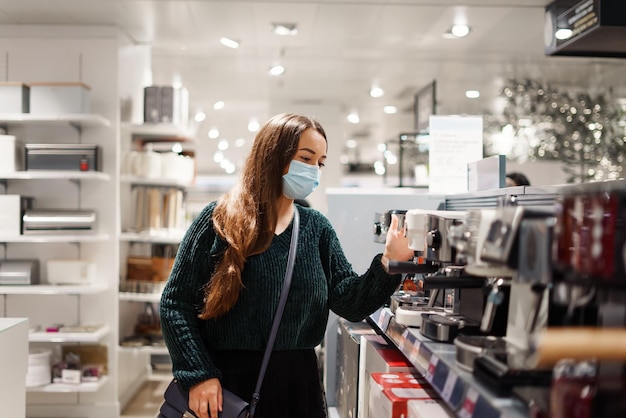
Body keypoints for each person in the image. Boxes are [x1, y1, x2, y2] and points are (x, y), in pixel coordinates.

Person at [159, 112, 414, 418]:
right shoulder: (218, 221)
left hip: (299, 385)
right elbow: (176, 303)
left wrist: (390, 261)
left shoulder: (316, 228)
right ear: (273, 156)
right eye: (306, 158)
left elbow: (349, 301)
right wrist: (198, 373)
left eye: (320, 162)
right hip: (227, 386)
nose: (314, 171)